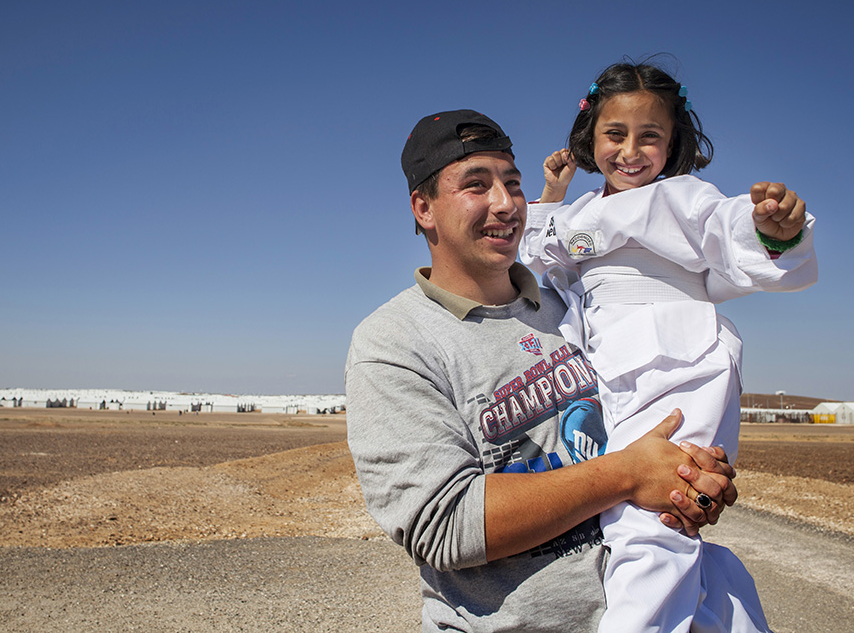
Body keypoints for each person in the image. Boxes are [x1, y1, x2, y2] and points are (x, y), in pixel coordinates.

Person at [345, 109, 739, 632]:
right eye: (476, 186)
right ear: (424, 208)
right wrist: (629, 472)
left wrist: (690, 477)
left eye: (512, 182)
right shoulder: (395, 342)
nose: (506, 204)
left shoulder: (573, 304)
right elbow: (446, 526)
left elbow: (646, 414)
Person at [519, 61, 818, 632]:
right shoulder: (578, 213)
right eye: (615, 134)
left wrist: (773, 231)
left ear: (673, 142)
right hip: (608, 371)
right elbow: (537, 255)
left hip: (676, 365)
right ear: (591, 136)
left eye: (650, 136)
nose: (631, 151)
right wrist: (552, 195)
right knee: (623, 522)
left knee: (653, 522)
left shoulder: (680, 197)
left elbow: (724, 223)